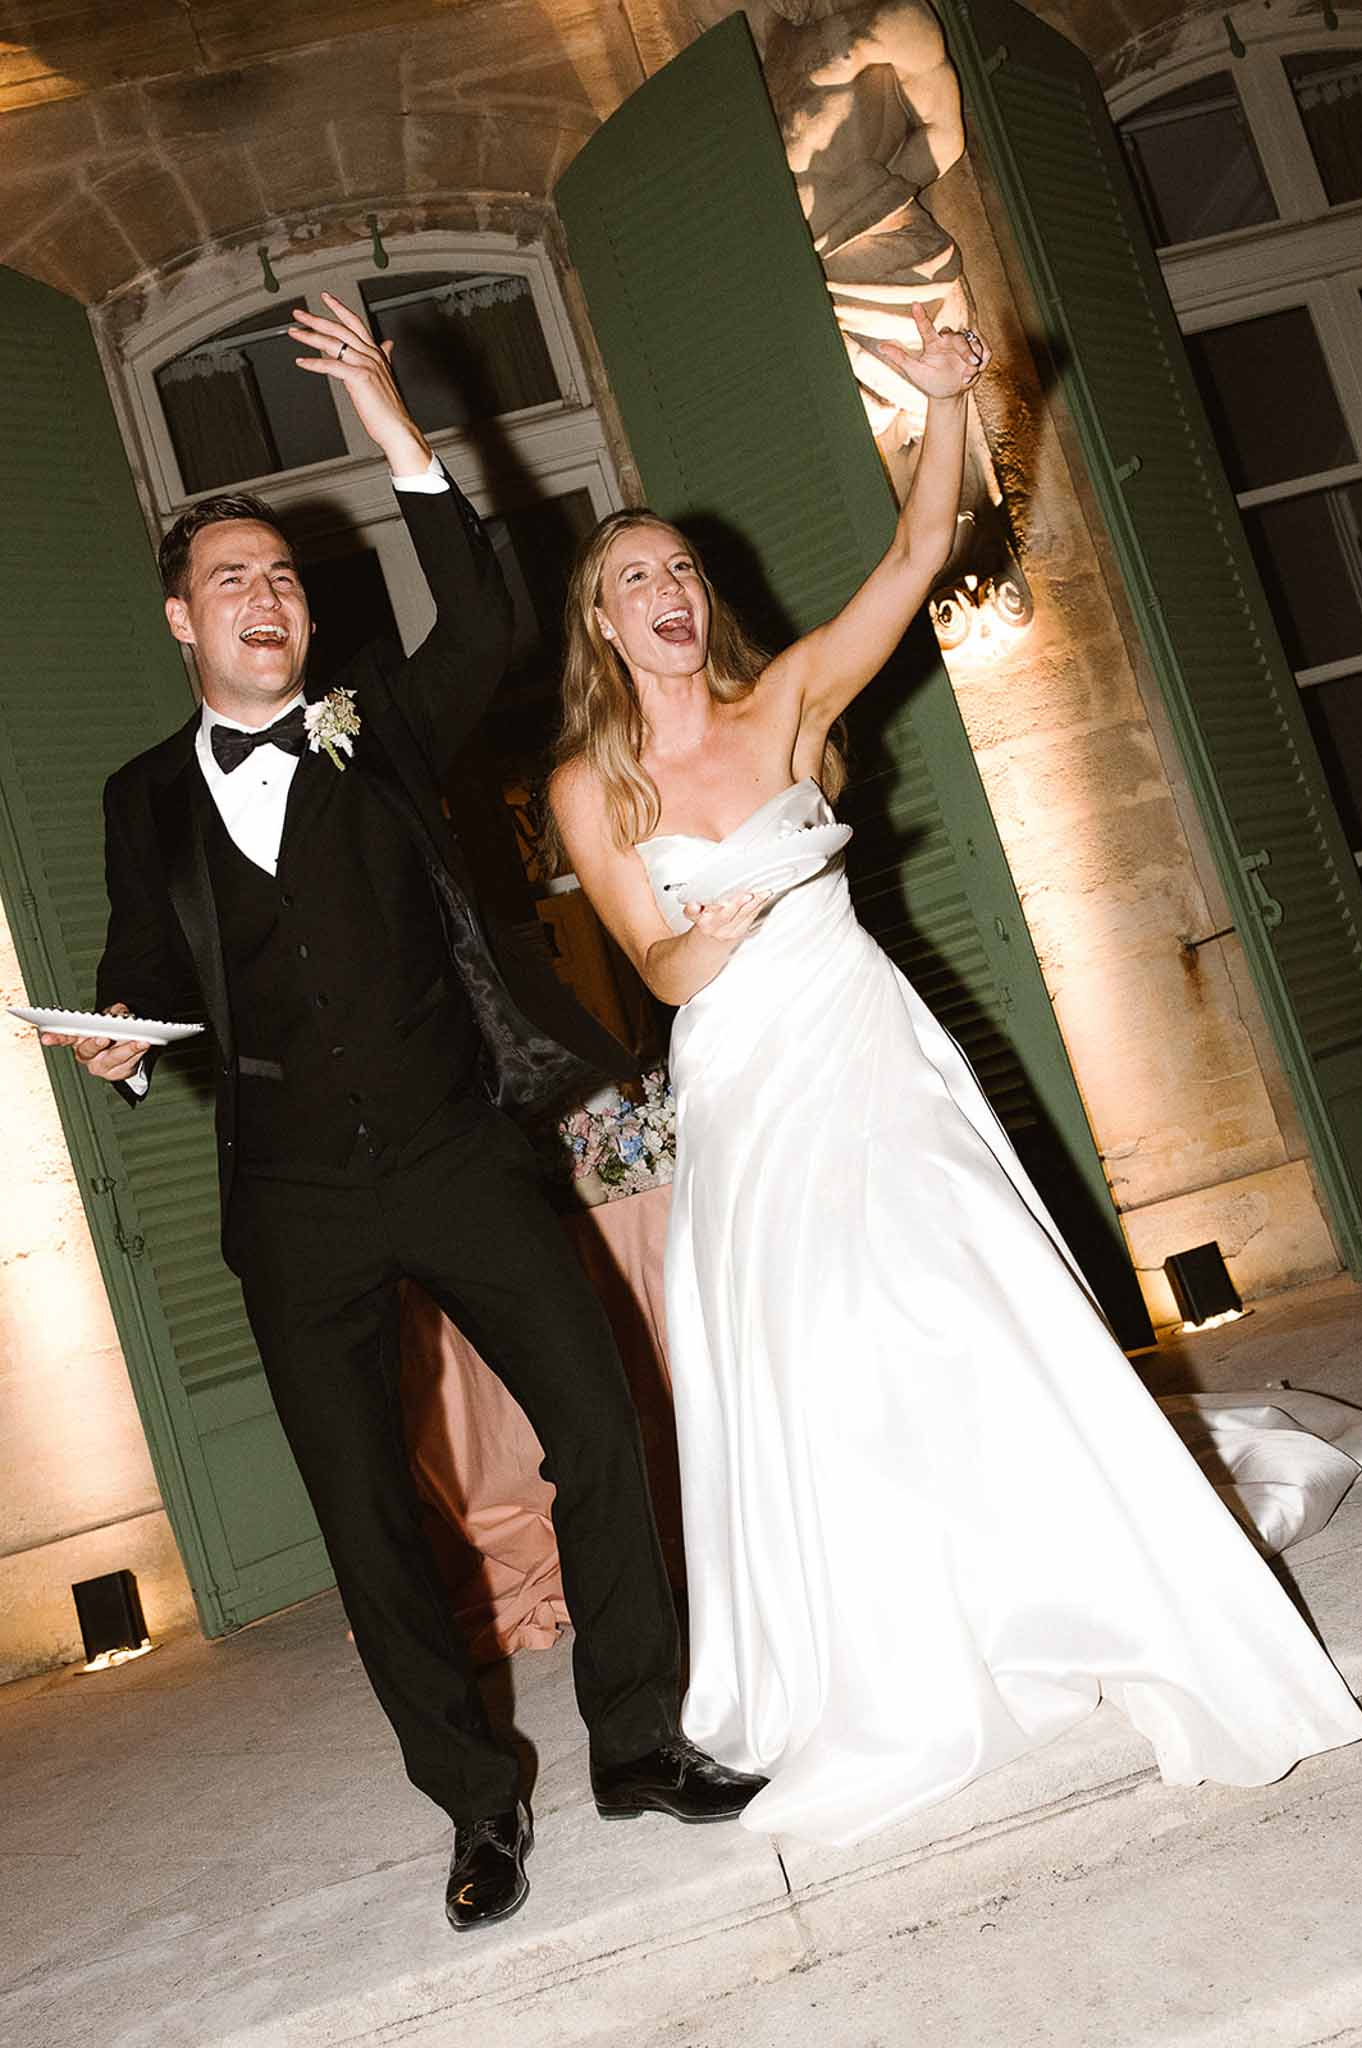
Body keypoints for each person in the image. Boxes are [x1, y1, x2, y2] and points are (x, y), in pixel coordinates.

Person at [549, 305, 1362, 1847]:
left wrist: (939, 403)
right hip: (737, 1069)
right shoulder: (595, 783)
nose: (665, 590)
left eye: (677, 570)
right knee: (807, 1345)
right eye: (631, 580)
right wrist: (708, 936)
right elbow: (648, 970)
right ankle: (880, 1628)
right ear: (600, 623)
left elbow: (916, 561)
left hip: (860, 1035)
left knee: (955, 1289)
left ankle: (1068, 1577)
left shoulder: (780, 698)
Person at [46, 295, 764, 1929]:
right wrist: (126, 1042)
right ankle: (475, 1804)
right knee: (371, 1525)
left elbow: (492, 617)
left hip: (457, 1152)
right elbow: (144, 965)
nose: (268, 597)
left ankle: (636, 1744)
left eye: (285, 574)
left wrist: (391, 426)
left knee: (598, 1423)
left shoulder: (384, 726)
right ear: (180, 621)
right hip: (291, 1199)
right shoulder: (140, 797)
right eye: (233, 578)